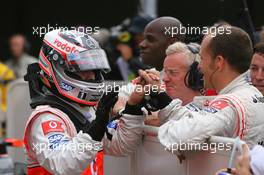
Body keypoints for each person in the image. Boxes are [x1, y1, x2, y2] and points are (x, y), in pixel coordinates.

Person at [23, 29, 145, 175]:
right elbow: (63, 165)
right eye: (81, 68)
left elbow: (123, 146)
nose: (91, 75)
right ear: (56, 67)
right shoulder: (47, 117)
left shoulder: (87, 111)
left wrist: (133, 109)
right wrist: (96, 129)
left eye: (94, 68)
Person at [128, 26, 264, 150]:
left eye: (202, 59)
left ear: (219, 62)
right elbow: (195, 121)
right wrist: (162, 97)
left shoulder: (230, 103)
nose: (198, 67)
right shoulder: (252, 94)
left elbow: (174, 136)